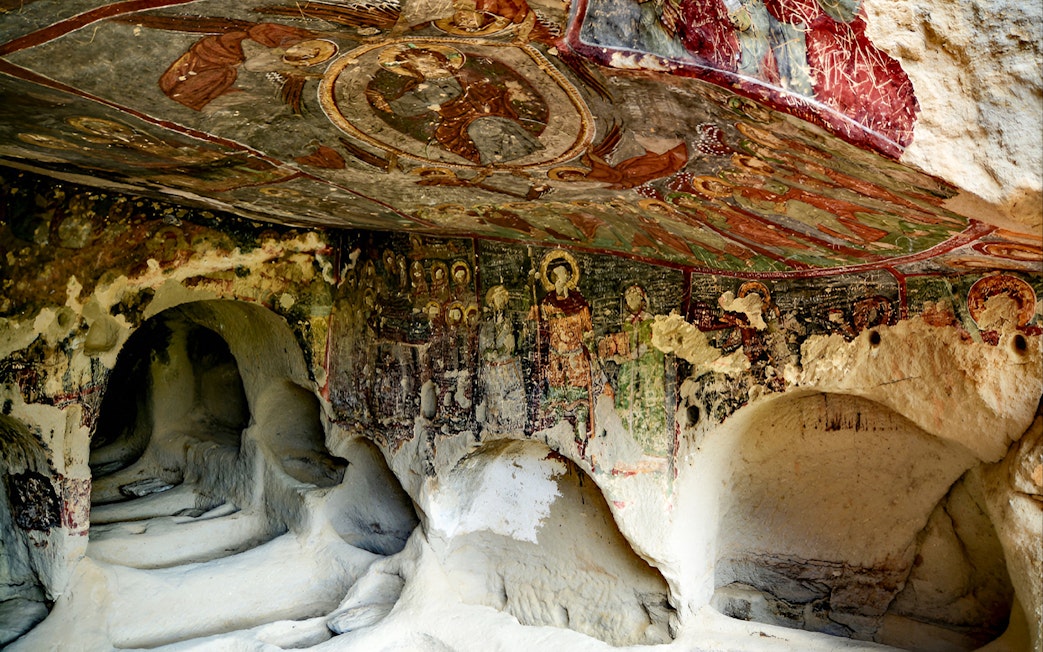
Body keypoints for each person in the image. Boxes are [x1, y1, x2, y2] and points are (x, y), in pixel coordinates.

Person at [367, 45, 545, 165]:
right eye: (421, 68)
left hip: (488, 113)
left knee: (494, 126)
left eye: (430, 64)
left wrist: (508, 93)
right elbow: (403, 106)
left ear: (441, 61)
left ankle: (518, 157)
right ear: (415, 71)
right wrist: (382, 102)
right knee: (480, 129)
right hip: (458, 123)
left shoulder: (465, 76)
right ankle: (493, 163)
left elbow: (490, 91)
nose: (428, 69)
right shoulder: (422, 88)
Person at [529, 250, 594, 453]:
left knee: (578, 399)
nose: (559, 280)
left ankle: (581, 438)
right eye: (555, 276)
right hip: (556, 357)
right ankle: (558, 436)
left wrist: (590, 348)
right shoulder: (547, 305)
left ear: (569, 277)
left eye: (562, 275)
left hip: (575, 357)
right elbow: (536, 326)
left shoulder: (580, 304)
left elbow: (588, 330)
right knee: (557, 399)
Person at [478, 285, 527, 434]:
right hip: (493, 369)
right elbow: (484, 345)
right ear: (492, 302)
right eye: (496, 298)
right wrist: (490, 353)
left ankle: (515, 426)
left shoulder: (511, 321)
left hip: (509, 366)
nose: (500, 301)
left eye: (502, 298)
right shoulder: (487, 324)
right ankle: (496, 428)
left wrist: (519, 338)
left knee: (513, 396)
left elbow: (513, 345)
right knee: (495, 398)